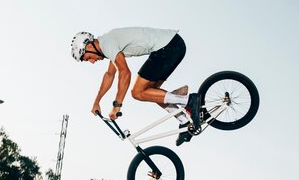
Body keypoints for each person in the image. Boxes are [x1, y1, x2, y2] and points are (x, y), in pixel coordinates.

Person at [71, 27, 201, 145]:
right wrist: (97, 102)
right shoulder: (108, 46)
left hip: (167, 47)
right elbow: (109, 75)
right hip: (174, 46)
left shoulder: (106, 44)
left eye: (88, 58)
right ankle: (185, 122)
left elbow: (125, 73)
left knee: (137, 92)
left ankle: (189, 100)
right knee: (152, 94)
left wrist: (117, 106)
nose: (92, 61)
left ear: (89, 45)